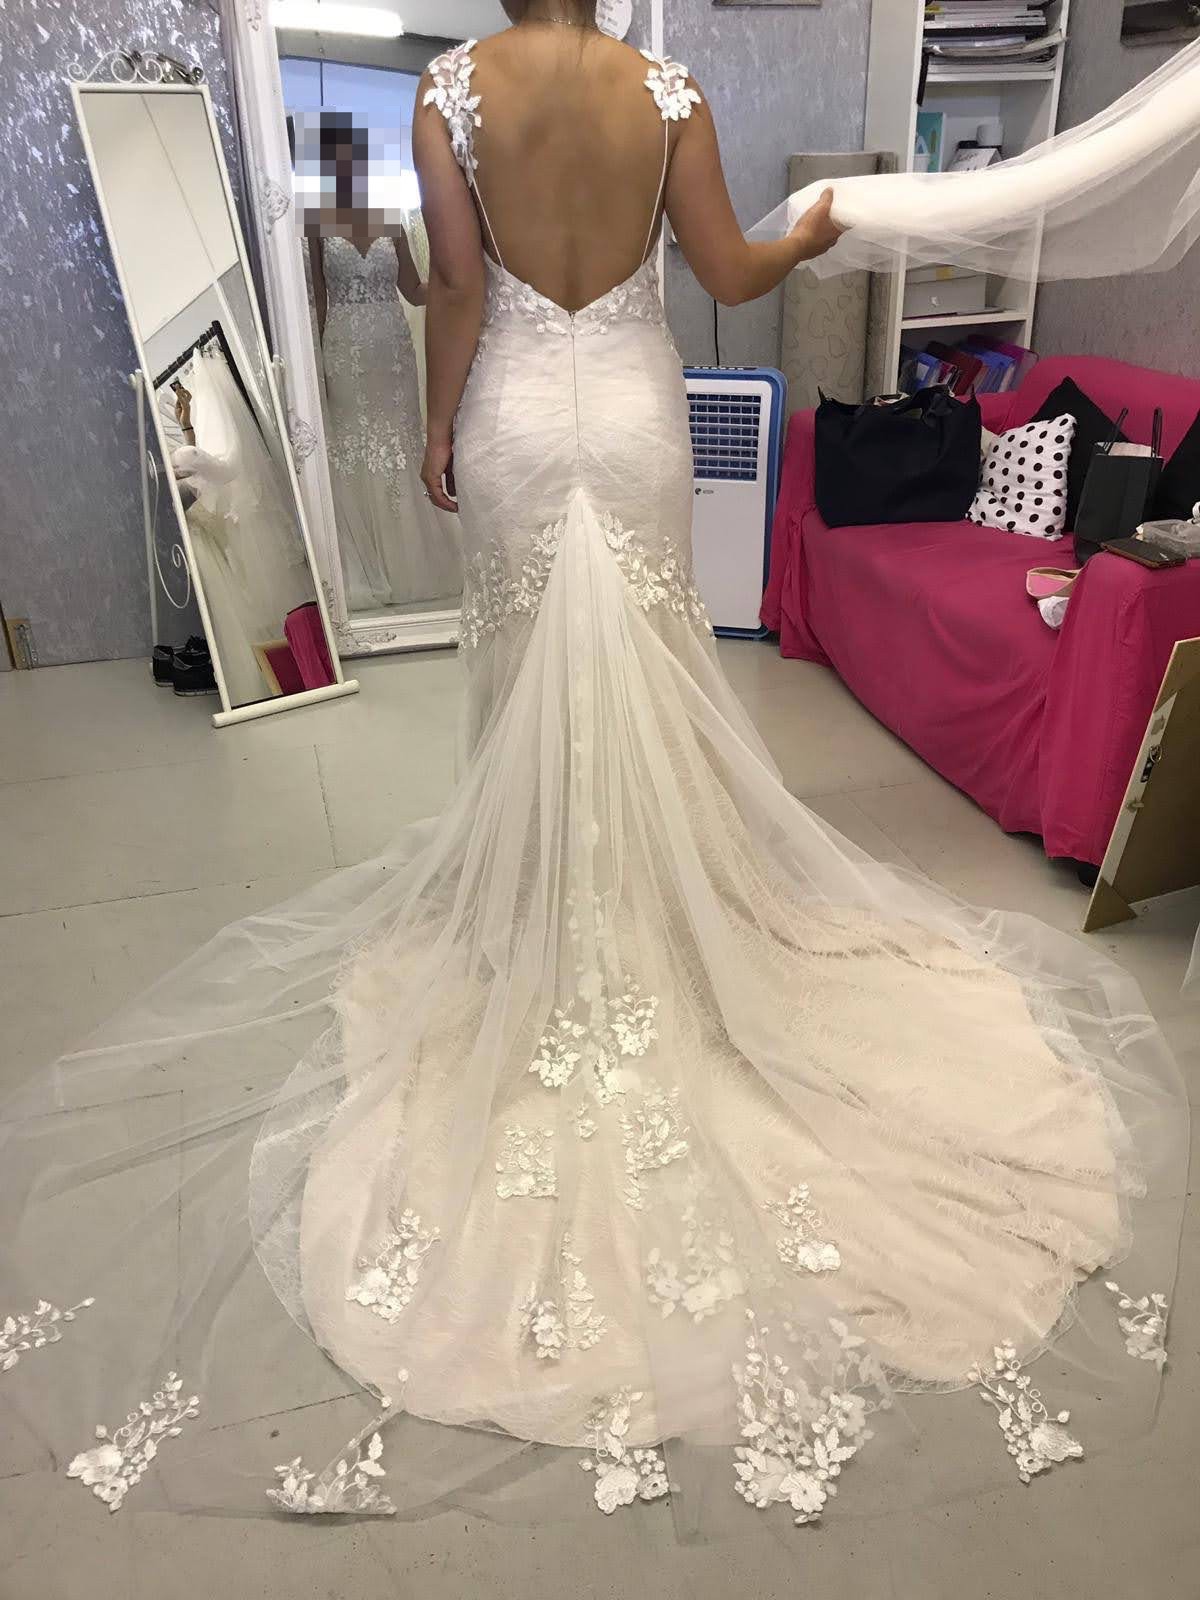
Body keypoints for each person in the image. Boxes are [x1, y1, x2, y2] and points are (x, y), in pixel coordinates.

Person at [0, 1, 1184, 1531]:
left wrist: (438, 422)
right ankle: (657, 921)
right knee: (652, 665)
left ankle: (546, 921)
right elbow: (732, 274)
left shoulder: (451, 88)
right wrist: (814, 230)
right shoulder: (666, 87)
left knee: (527, 681)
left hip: (512, 417)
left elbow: (455, 287)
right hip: (632, 417)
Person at [307, 114, 462, 609]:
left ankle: (413, 561)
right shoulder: (316, 222)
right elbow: (317, 300)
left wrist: (456, 280)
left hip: (391, 349)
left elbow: (413, 290)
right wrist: (313, 361)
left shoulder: (391, 218)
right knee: (353, 443)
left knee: (398, 439)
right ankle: (365, 563)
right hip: (343, 349)